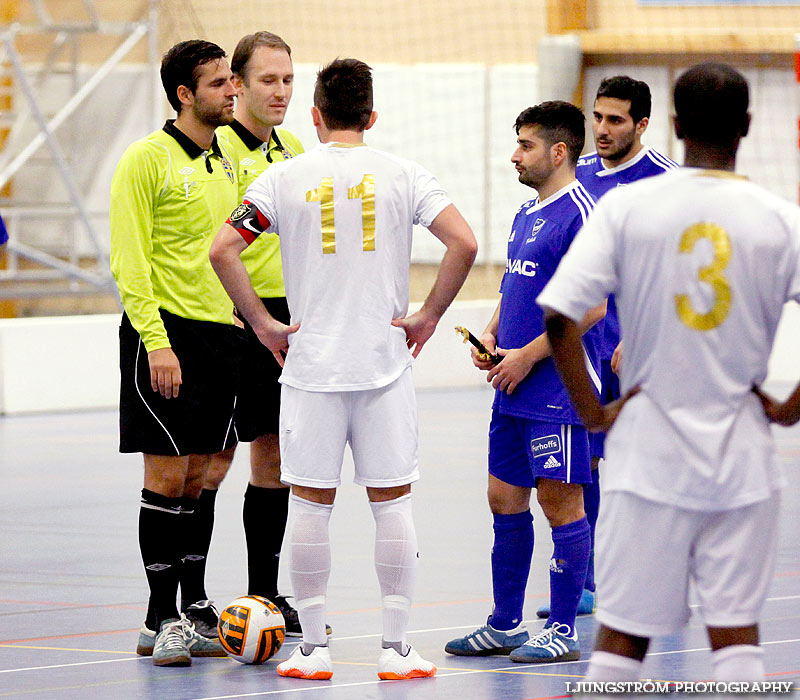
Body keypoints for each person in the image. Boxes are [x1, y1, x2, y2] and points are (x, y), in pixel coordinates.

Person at [209, 58, 477, 680]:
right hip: (385, 365)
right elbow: (463, 242)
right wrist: (428, 316)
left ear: (316, 116)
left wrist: (262, 324)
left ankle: (314, 649)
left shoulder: (282, 177)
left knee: (309, 503)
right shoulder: (406, 175)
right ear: (372, 116)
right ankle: (396, 648)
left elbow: (222, 249)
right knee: (391, 502)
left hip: (311, 369)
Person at [539, 62, 796, 687]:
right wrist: (789, 406)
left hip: (647, 456)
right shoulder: (780, 218)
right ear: (748, 126)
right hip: (742, 459)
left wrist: (595, 411)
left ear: (674, 125)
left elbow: (559, 314)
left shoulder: (628, 208)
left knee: (622, 637)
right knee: (738, 639)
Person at [444, 102, 604, 664]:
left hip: (556, 387)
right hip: (513, 386)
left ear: (559, 152)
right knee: (502, 499)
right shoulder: (524, 212)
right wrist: (492, 337)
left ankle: (562, 629)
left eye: (526, 145)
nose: (515, 154)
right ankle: (505, 623)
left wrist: (527, 358)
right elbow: (518, 287)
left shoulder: (581, 213)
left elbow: (591, 308)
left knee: (560, 505)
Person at [109, 39, 240, 667]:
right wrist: (156, 343)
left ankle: (189, 609)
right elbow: (129, 261)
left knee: (200, 476)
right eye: (218, 83)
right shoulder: (146, 160)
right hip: (164, 334)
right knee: (165, 477)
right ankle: (158, 620)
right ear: (185, 94)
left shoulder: (224, 159)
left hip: (220, 335)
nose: (231, 91)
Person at [537, 76, 678, 621]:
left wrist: (640, 337)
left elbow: (674, 271)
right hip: (588, 350)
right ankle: (592, 580)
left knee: (644, 468)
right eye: (596, 117)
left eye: (615, 120)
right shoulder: (582, 176)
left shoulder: (663, 182)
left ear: (642, 125)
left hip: (636, 349)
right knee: (584, 467)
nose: (600, 130)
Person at [202, 30, 320, 637]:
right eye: (268, 80)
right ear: (238, 85)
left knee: (272, 455)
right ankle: (189, 600)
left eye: (289, 80)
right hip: (227, 320)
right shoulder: (211, 147)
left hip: (282, 321)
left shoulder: (295, 149)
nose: (280, 92)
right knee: (212, 460)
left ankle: (262, 596)